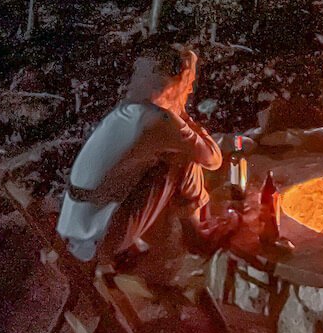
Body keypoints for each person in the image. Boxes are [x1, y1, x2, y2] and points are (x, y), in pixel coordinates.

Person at [57, 46, 228, 266]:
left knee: (159, 161)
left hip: (74, 229)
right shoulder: (159, 119)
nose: (190, 91)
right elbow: (213, 159)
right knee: (180, 158)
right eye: (188, 83)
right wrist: (184, 115)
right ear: (174, 81)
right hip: (97, 243)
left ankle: (159, 236)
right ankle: (194, 235)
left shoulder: (128, 110)